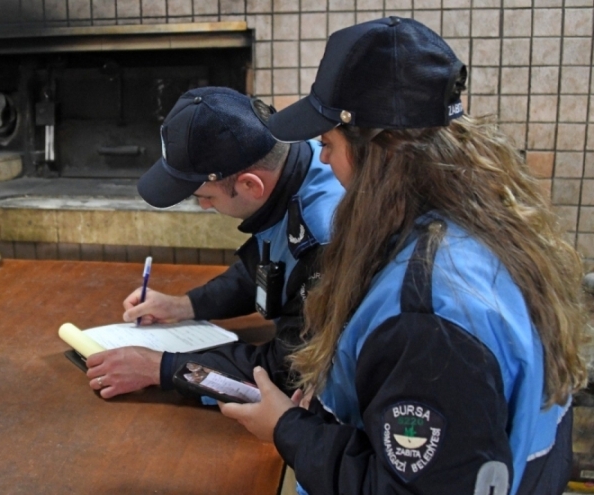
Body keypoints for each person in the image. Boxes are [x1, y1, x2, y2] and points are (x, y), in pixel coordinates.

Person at [219, 17, 592, 495]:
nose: (323, 158)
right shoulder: (477, 225)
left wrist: (286, 427)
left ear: (383, 154)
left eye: (329, 143)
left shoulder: (429, 316)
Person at [84, 86, 345, 400]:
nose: (204, 207)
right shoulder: (294, 159)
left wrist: (161, 368)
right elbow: (266, 269)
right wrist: (185, 306)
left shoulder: (323, 240)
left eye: (205, 197)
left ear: (250, 185)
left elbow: (290, 370)